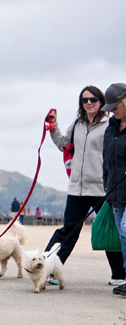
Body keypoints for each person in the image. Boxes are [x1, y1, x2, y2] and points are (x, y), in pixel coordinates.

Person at [46, 85, 125, 287]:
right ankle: (48, 268)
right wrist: (53, 128)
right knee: (68, 231)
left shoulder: (110, 124)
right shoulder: (77, 123)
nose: (89, 103)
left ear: (102, 102)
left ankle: (119, 274)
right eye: (84, 100)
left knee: (110, 229)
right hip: (77, 189)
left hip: (101, 188)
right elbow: (64, 144)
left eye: (93, 99)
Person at [101, 83, 126, 295]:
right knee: (123, 235)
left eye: (114, 106)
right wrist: (106, 185)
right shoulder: (111, 127)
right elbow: (106, 160)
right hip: (115, 192)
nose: (111, 111)